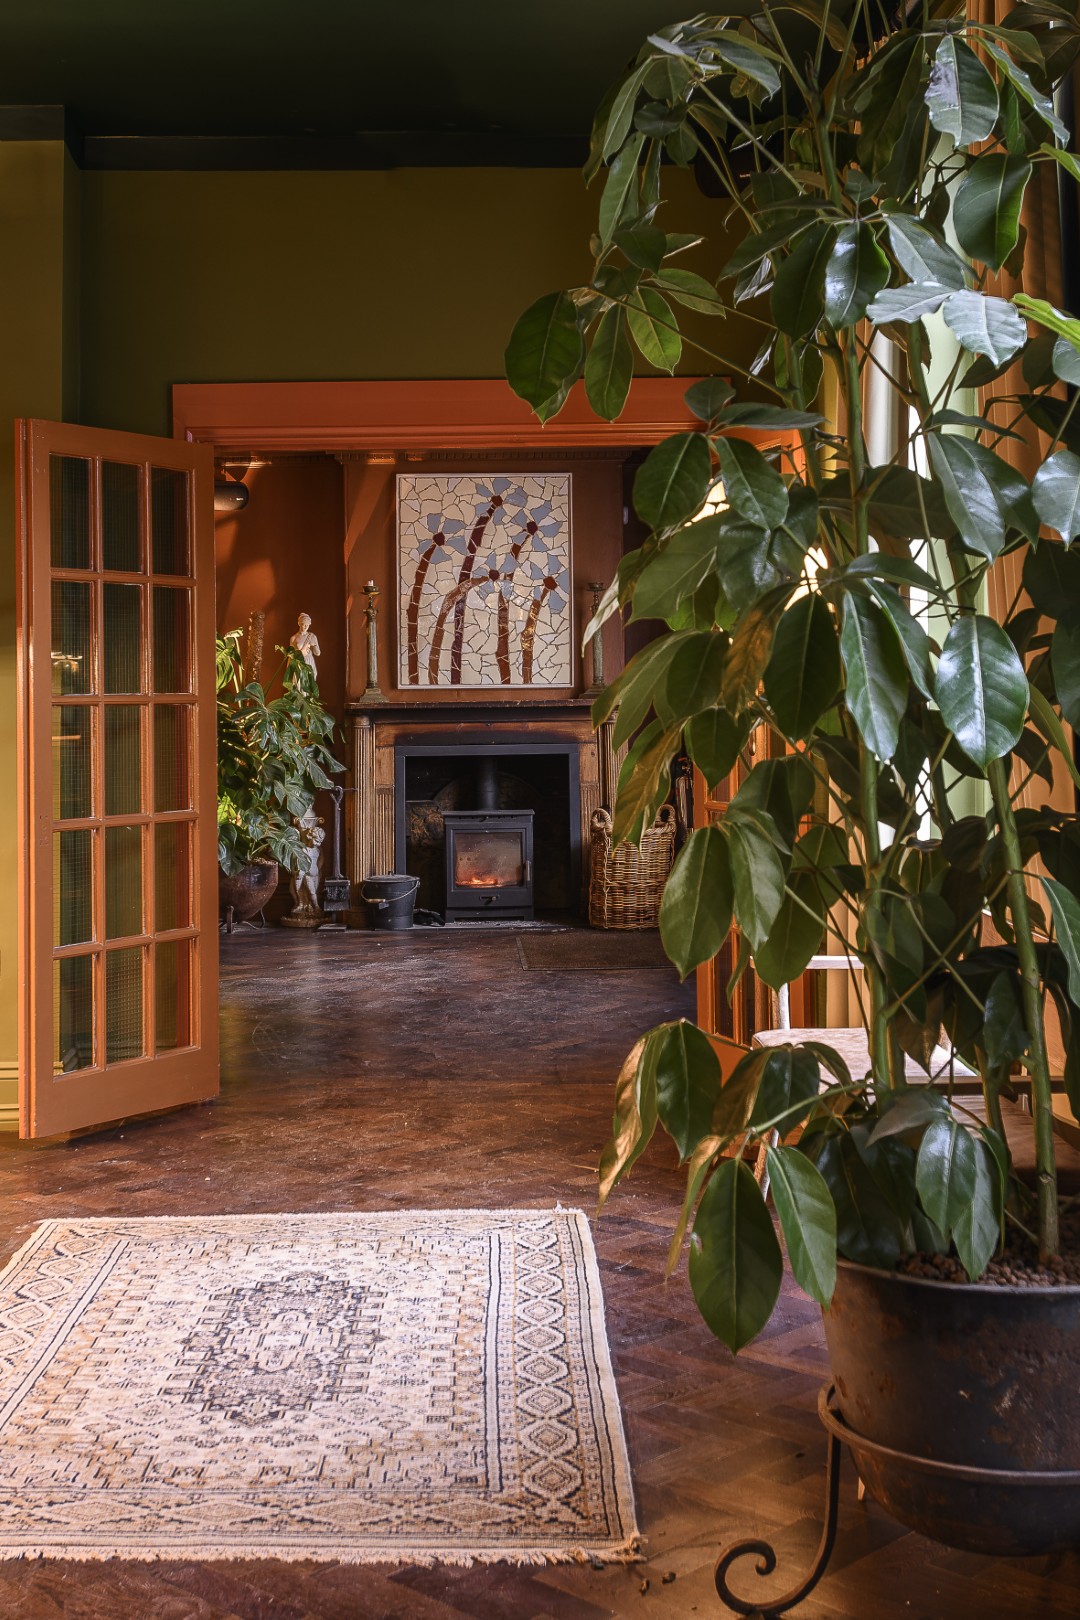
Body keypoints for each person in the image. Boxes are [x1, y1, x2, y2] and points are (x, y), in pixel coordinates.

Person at [290, 612, 320, 677]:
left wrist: (314, 645)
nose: (306, 626)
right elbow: (291, 656)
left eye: (308, 625)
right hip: (299, 663)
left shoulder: (312, 636)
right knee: (299, 685)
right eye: (304, 624)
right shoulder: (293, 638)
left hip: (309, 662)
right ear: (299, 623)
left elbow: (317, 653)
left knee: (308, 684)